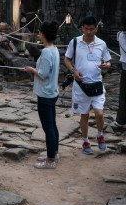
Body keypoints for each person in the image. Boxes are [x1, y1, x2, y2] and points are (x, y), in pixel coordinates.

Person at [64, 16, 112, 155]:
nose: (89, 32)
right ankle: (85, 141)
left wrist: (106, 65)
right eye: (86, 29)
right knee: (84, 115)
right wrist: (73, 71)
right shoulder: (75, 42)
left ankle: (100, 134)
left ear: (96, 29)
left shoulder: (101, 44)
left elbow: (109, 61)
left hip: (96, 84)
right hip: (80, 85)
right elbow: (67, 59)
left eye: (92, 29)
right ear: (82, 28)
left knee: (99, 113)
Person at [23, 21, 60, 169]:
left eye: (39, 32)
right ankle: (54, 152)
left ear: (43, 34)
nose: (38, 34)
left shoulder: (46, 52)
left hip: (45, 94)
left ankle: (50, 159)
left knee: (48, 127)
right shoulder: (55, 49)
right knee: (52, 125)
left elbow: (43, 74)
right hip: (52, 92)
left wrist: (31, 69)